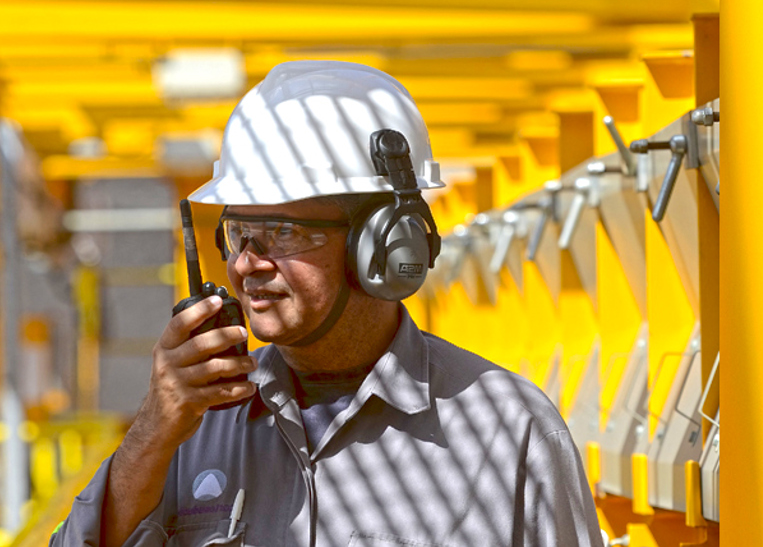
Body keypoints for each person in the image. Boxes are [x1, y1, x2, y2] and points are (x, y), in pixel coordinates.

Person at [51, 60, 603, 547]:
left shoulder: (508, 431)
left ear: (385, 244)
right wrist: (152, 430)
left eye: (285, 232)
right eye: (239, 232)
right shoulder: (192, 429)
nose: (245, 265)